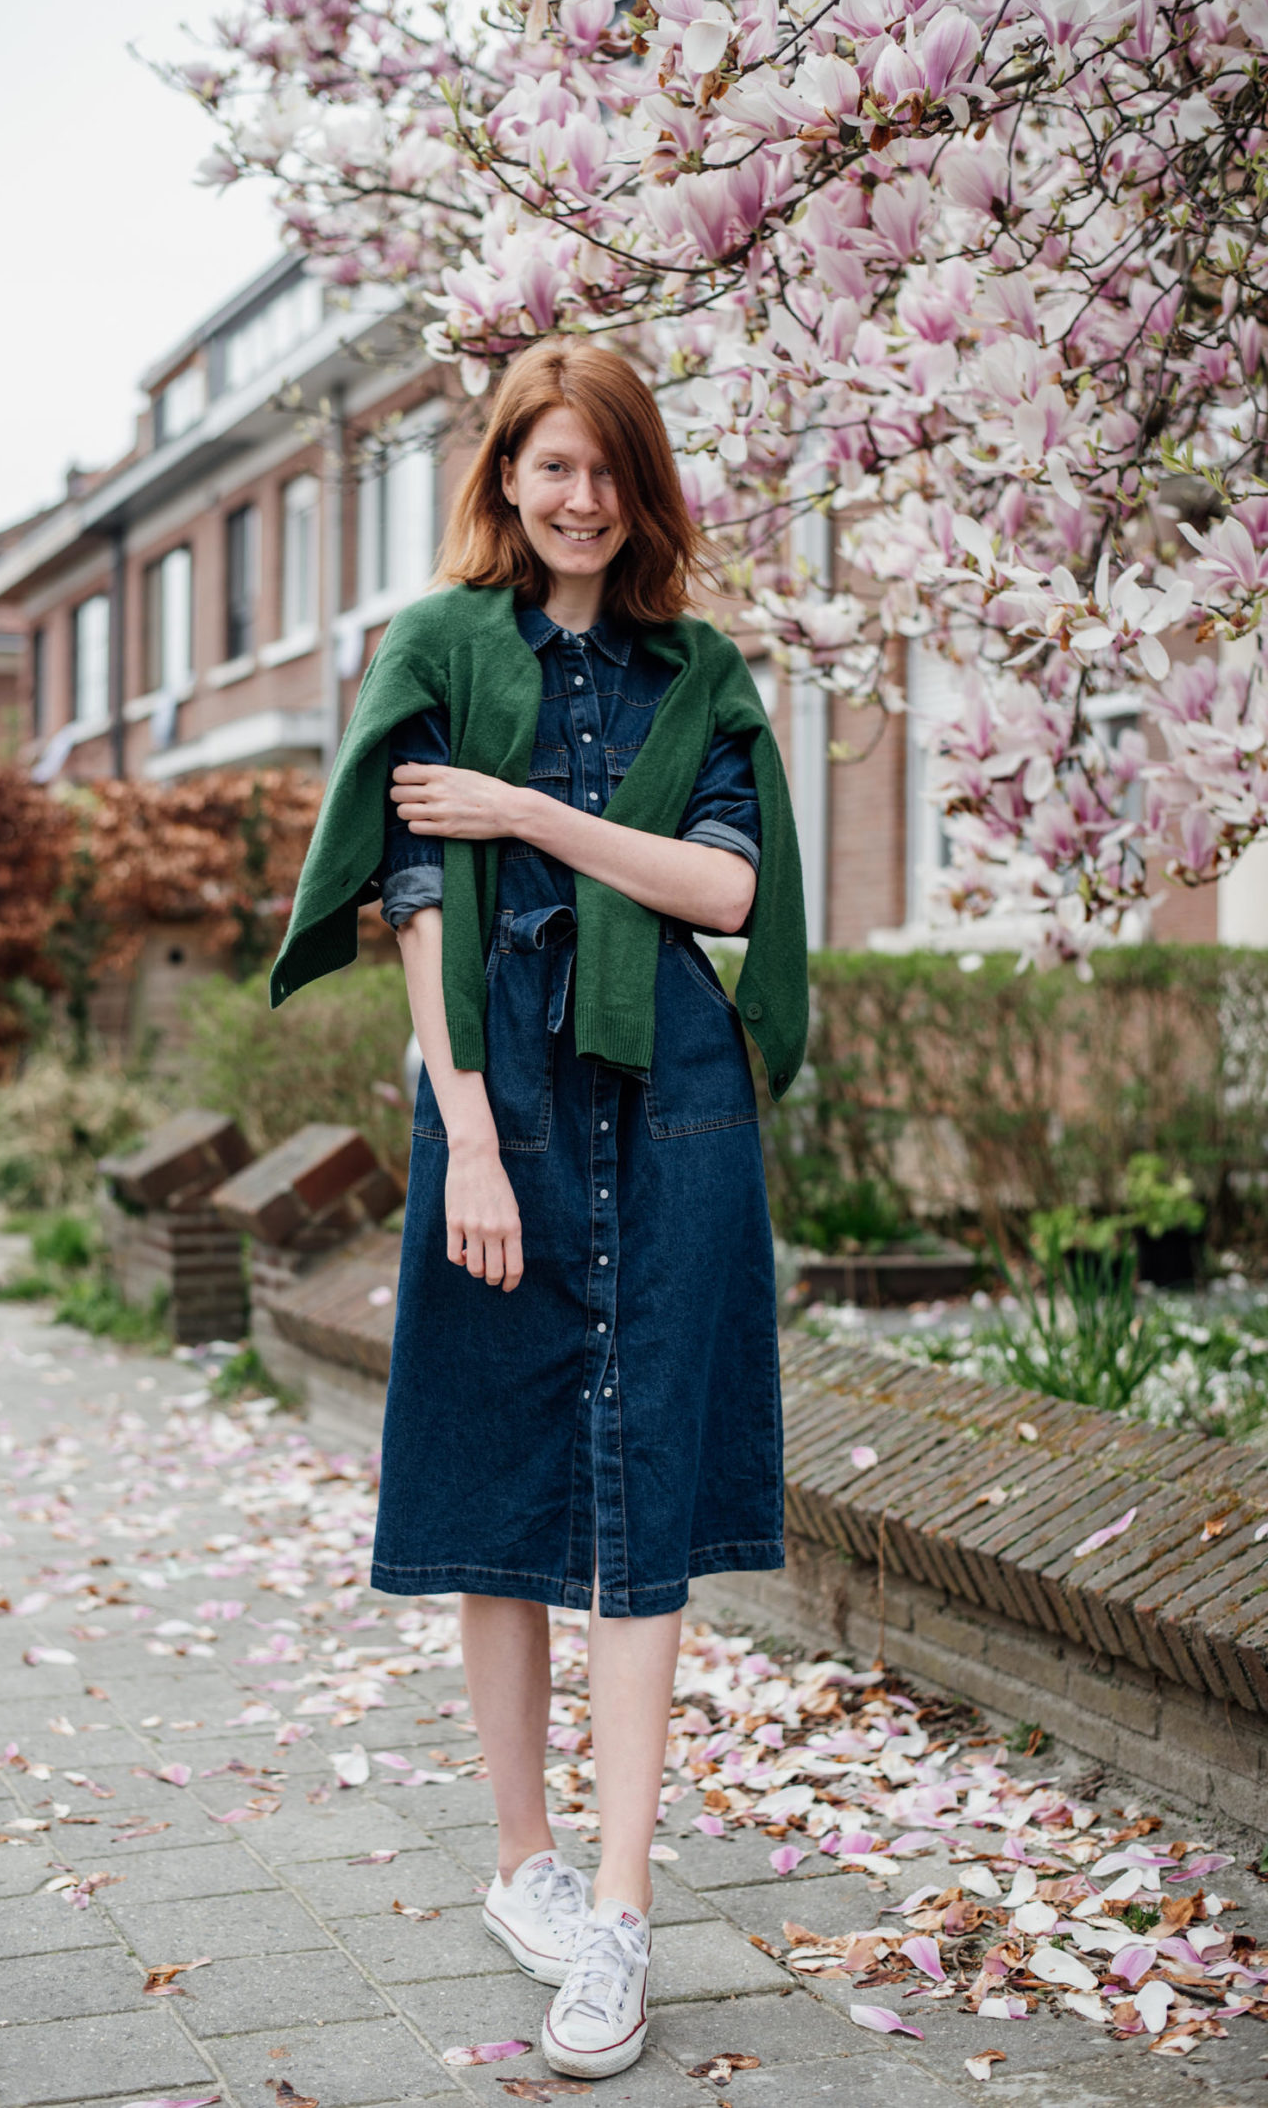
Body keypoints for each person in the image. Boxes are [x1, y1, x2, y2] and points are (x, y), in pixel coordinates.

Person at [271, 339, 808, 2079]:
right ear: (502, 477)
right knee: (502, 1466)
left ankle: (627, 1911)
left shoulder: (697, 674)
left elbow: (723, 886)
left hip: (679, 1113)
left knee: (645, 1482)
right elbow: (416, 896)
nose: (578, 497)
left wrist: (526, 809)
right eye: (547, 466)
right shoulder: (430, 651)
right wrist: (470, 1133)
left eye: (608, 469)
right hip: (501, 1102)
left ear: (642, 489)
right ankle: (528, 1866)